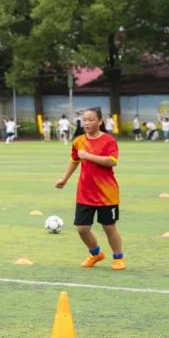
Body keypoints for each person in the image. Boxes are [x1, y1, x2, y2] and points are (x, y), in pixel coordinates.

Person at [55, 107, 125, 270]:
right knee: (82, 228)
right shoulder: (78, 141)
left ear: (100, 121)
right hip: (85, 192)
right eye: (84, 120)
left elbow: (112, 161)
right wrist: (64, 179)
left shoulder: (108, 140)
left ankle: (118, 258)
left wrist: (88, 156)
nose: (86, 123)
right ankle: (96, 254)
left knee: (109, 227)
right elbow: (74, 161)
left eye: (91, 120)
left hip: (107, 193)